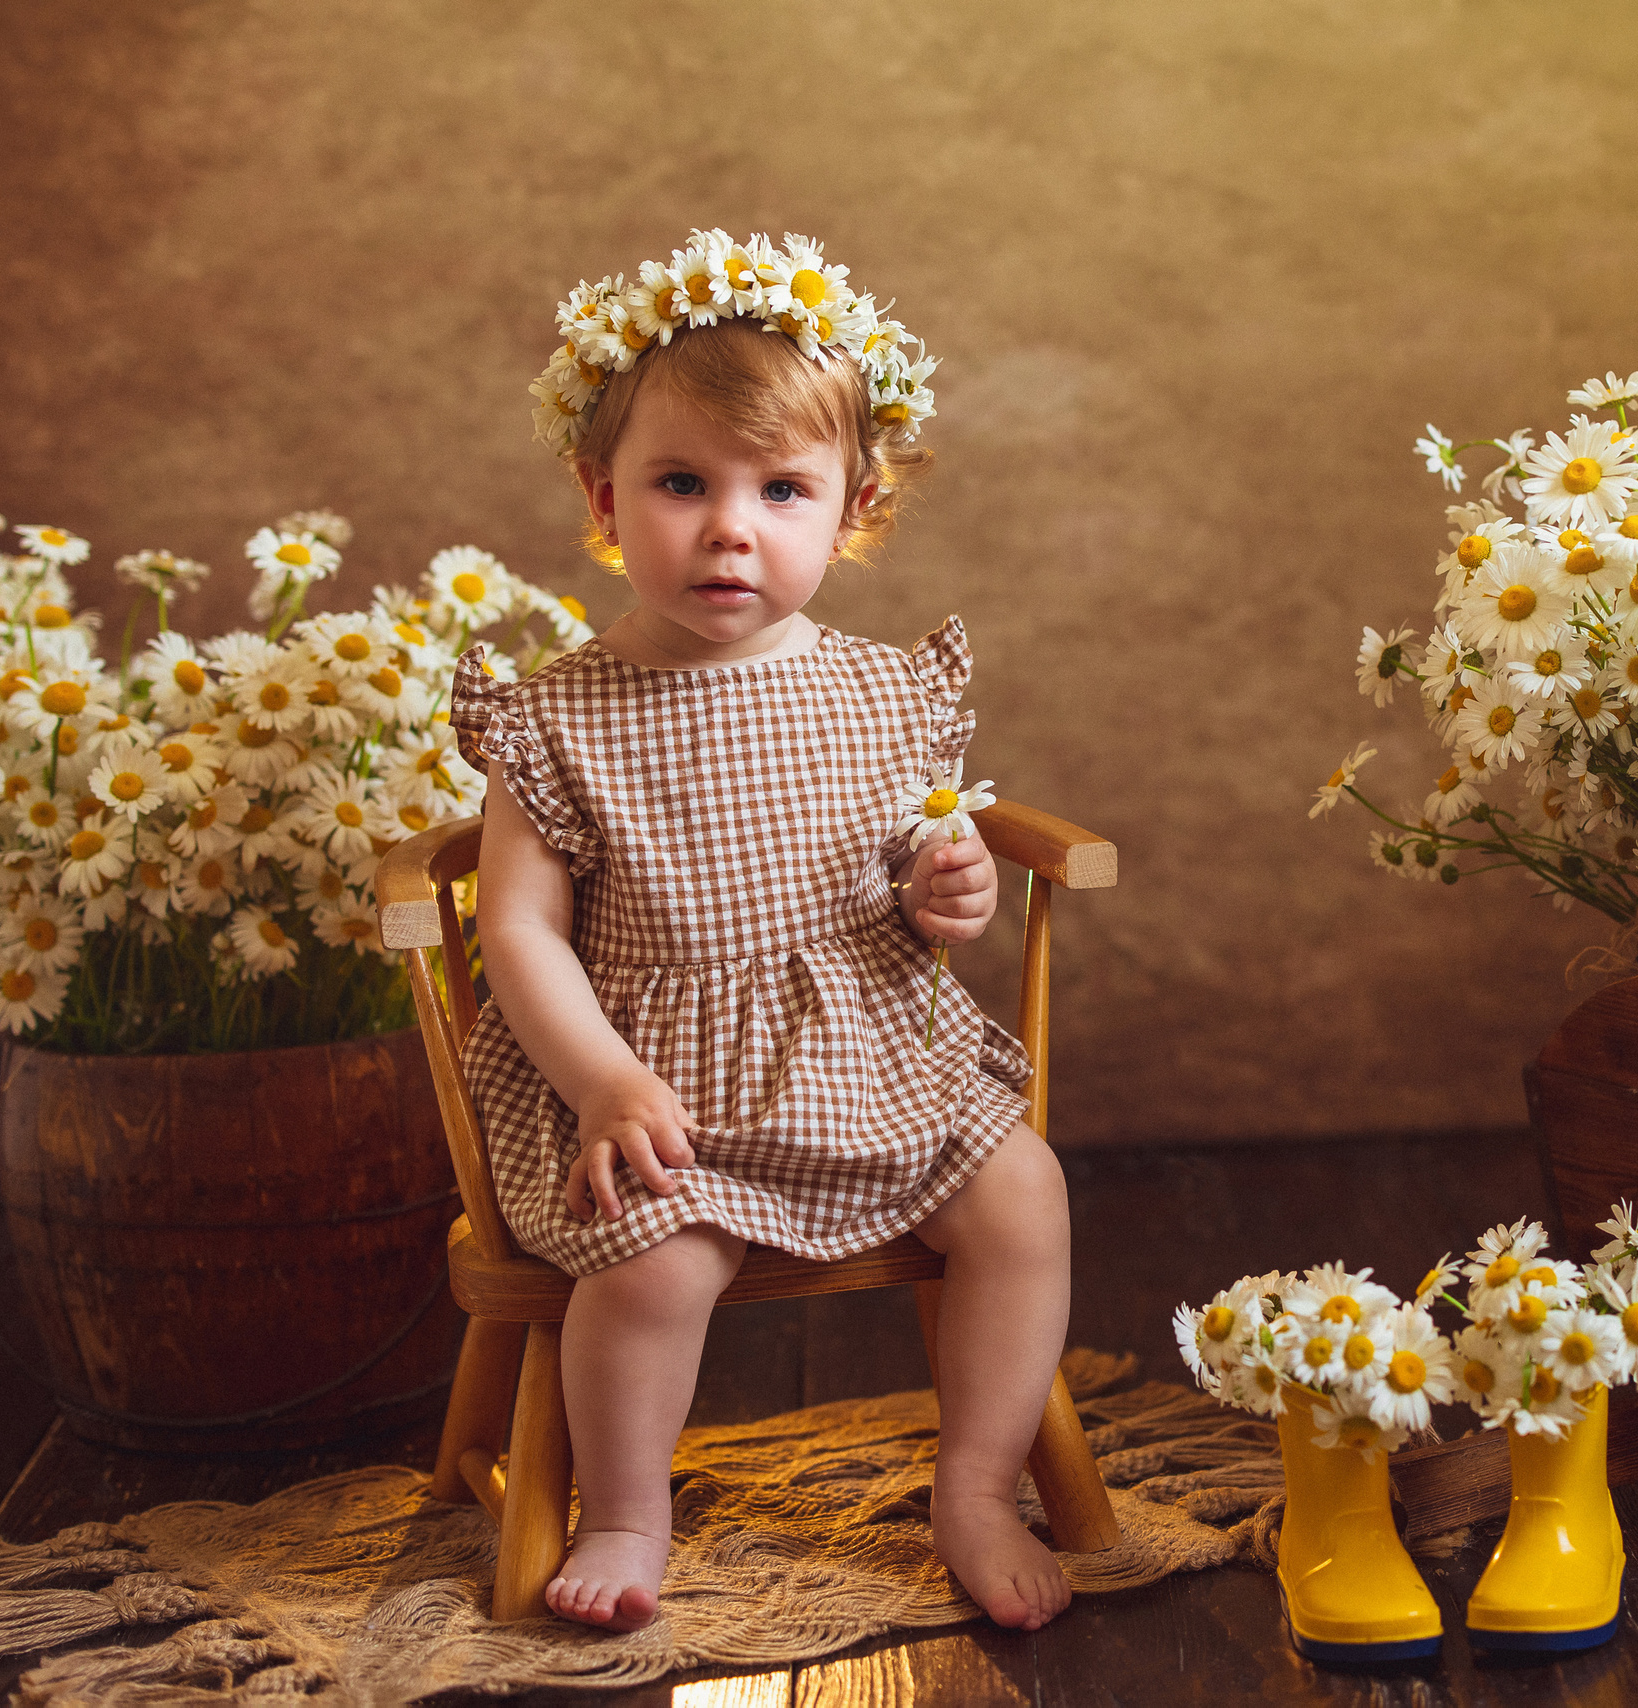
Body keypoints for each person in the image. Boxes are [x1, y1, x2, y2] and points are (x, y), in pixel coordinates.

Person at [449, 230, 1074, 1635]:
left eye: (781, 490)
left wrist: (950, 884)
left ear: (852, 508)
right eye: (683, 485)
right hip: (652, 1079)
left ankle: (974, 1483)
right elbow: (521, 933)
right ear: (604, 500)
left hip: (866, 1052)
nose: (732, 527)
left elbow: (926, 851)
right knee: (657, 1264)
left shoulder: (880, 692)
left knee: (1021, 1198)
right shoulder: (557, 717)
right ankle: (625, 1503)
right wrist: (602, 1081)